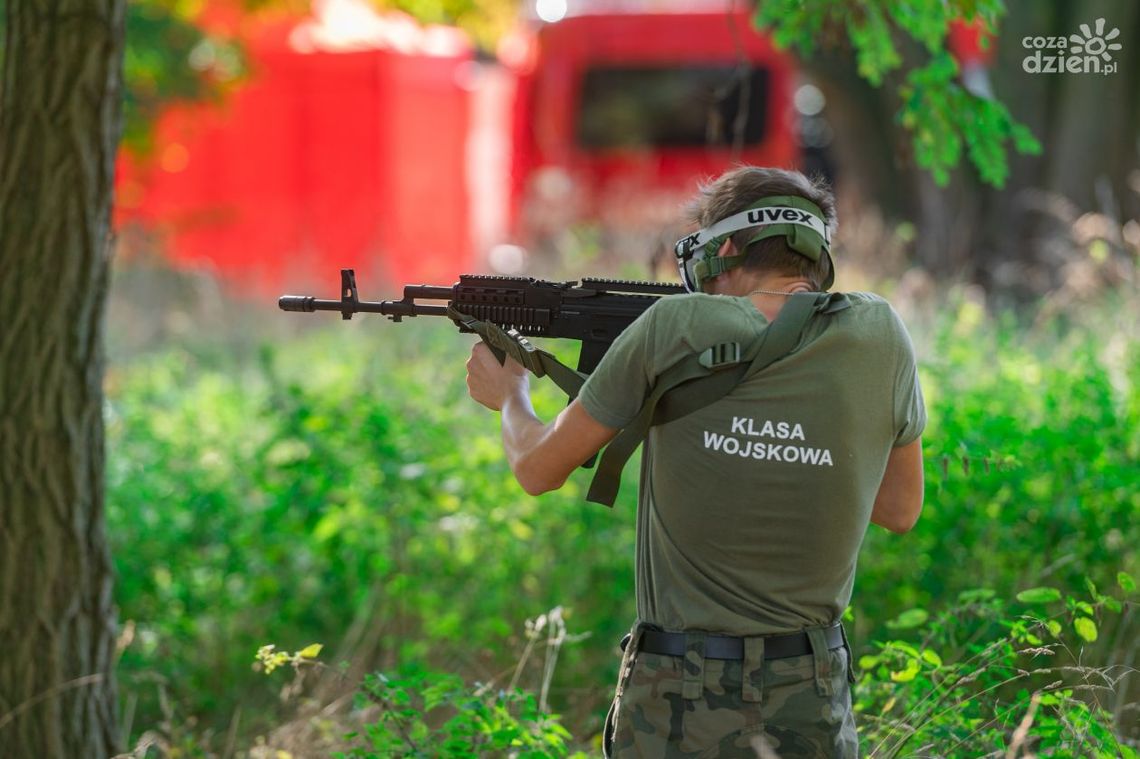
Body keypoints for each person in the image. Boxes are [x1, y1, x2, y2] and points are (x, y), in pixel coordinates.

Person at [465, 166, 925, 758]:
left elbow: (537, 467)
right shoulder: (879, 332)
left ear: (724, 248)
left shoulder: (673, 326)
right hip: (813, 690)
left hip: (679, 694)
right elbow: (899, 509)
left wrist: (510, 396)